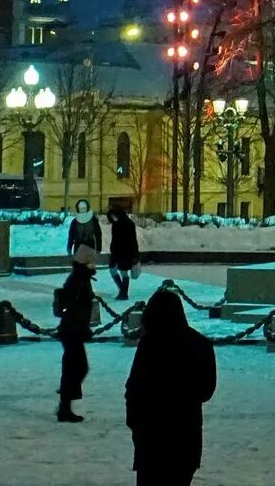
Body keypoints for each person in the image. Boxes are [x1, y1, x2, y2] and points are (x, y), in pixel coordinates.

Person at [126, 289, 217, 486]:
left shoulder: (150, 344)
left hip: (151, 436)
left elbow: (134, 389)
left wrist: (136, 424)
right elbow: (206, 390)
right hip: (186, 434)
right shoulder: (200, 344)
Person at [55, 244, 96, 421]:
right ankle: (65, 405)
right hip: (72, 331)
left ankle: (66, 402)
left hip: (72, 330)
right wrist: (80, 329)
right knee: (76, 368)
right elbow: (74, 308)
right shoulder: (78, 280)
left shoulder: (80, 278)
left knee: (75, 368)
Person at [107, 205, 140, 300]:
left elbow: (133, 240)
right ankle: (122, 290)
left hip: (126, 252)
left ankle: (123, 293)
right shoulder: (116, 224)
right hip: (117, 252)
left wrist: (134, 255)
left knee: (123, 272)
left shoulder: (128, 224)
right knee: (113, 270)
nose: (113, 218)